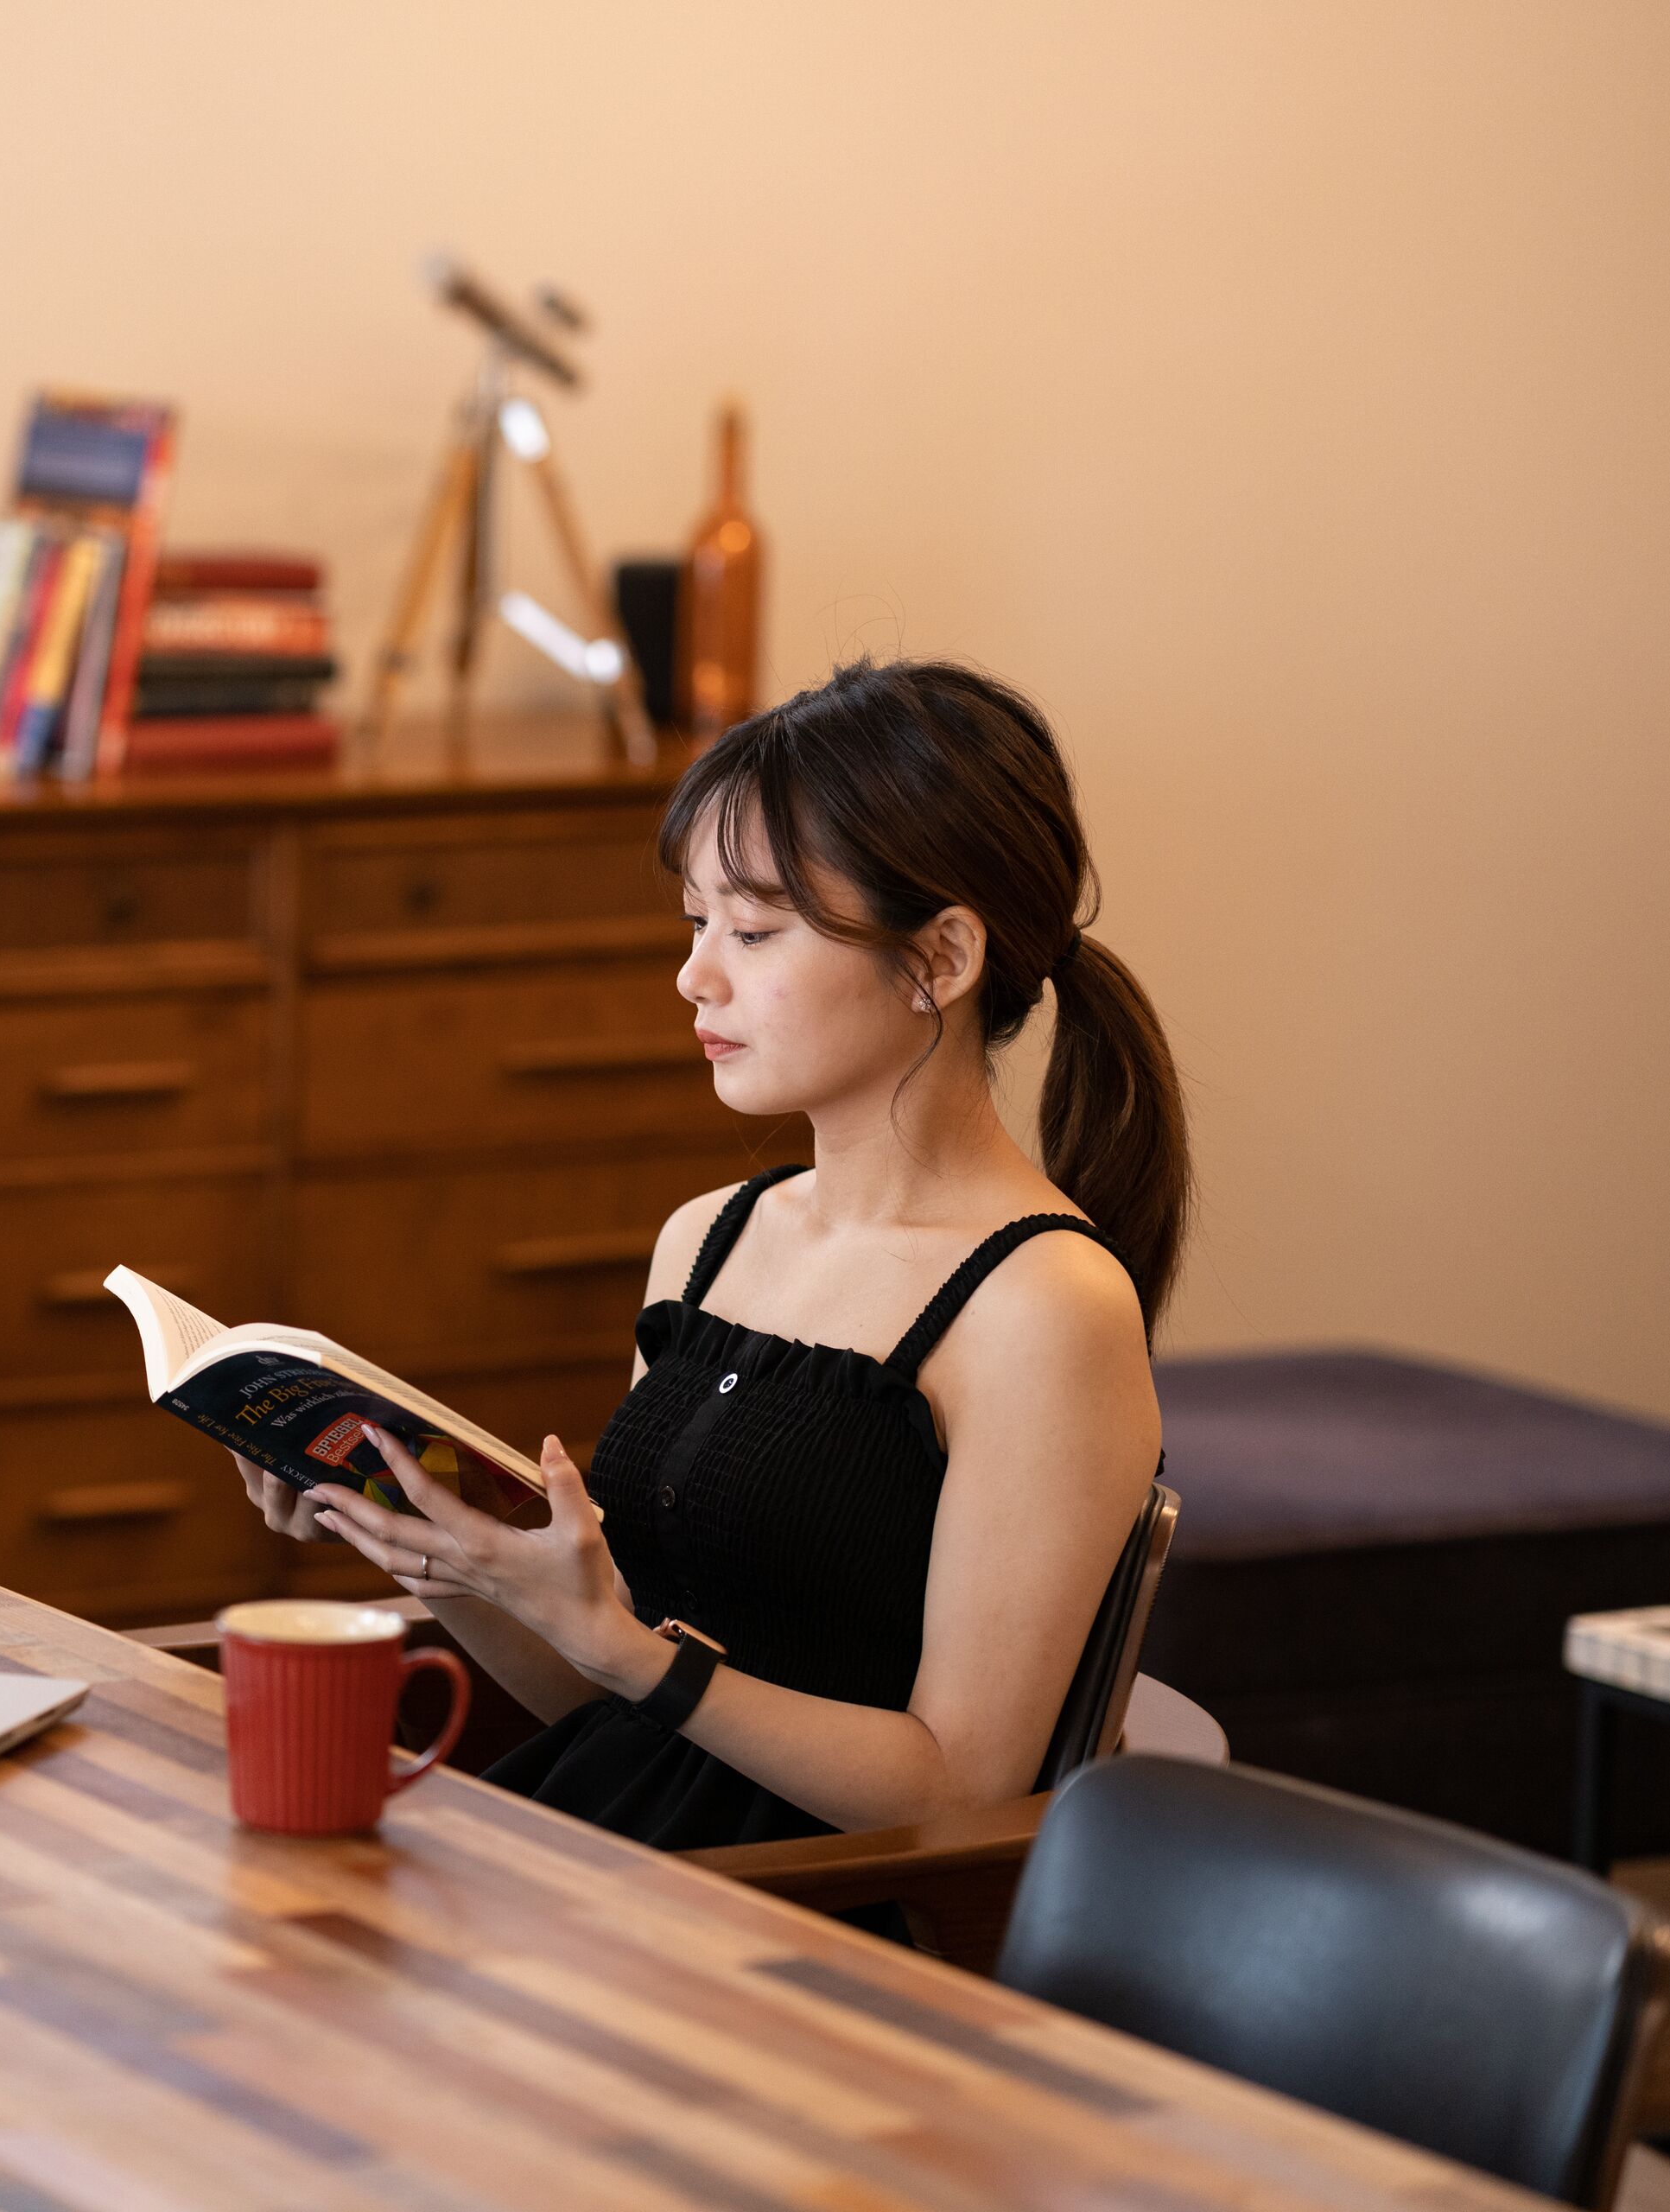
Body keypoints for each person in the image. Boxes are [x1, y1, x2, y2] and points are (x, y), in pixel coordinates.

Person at [239, 659, 1185, 1849]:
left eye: (753, 928)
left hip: (805, 1930)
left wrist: (629, 1652)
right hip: (611, 1862)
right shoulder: (709, 1241)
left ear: (941, 959)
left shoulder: (1043, 1305)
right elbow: (605, 1697)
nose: (695, 976)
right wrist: (427, 1546)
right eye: (697, 923)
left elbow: (964, 1794)